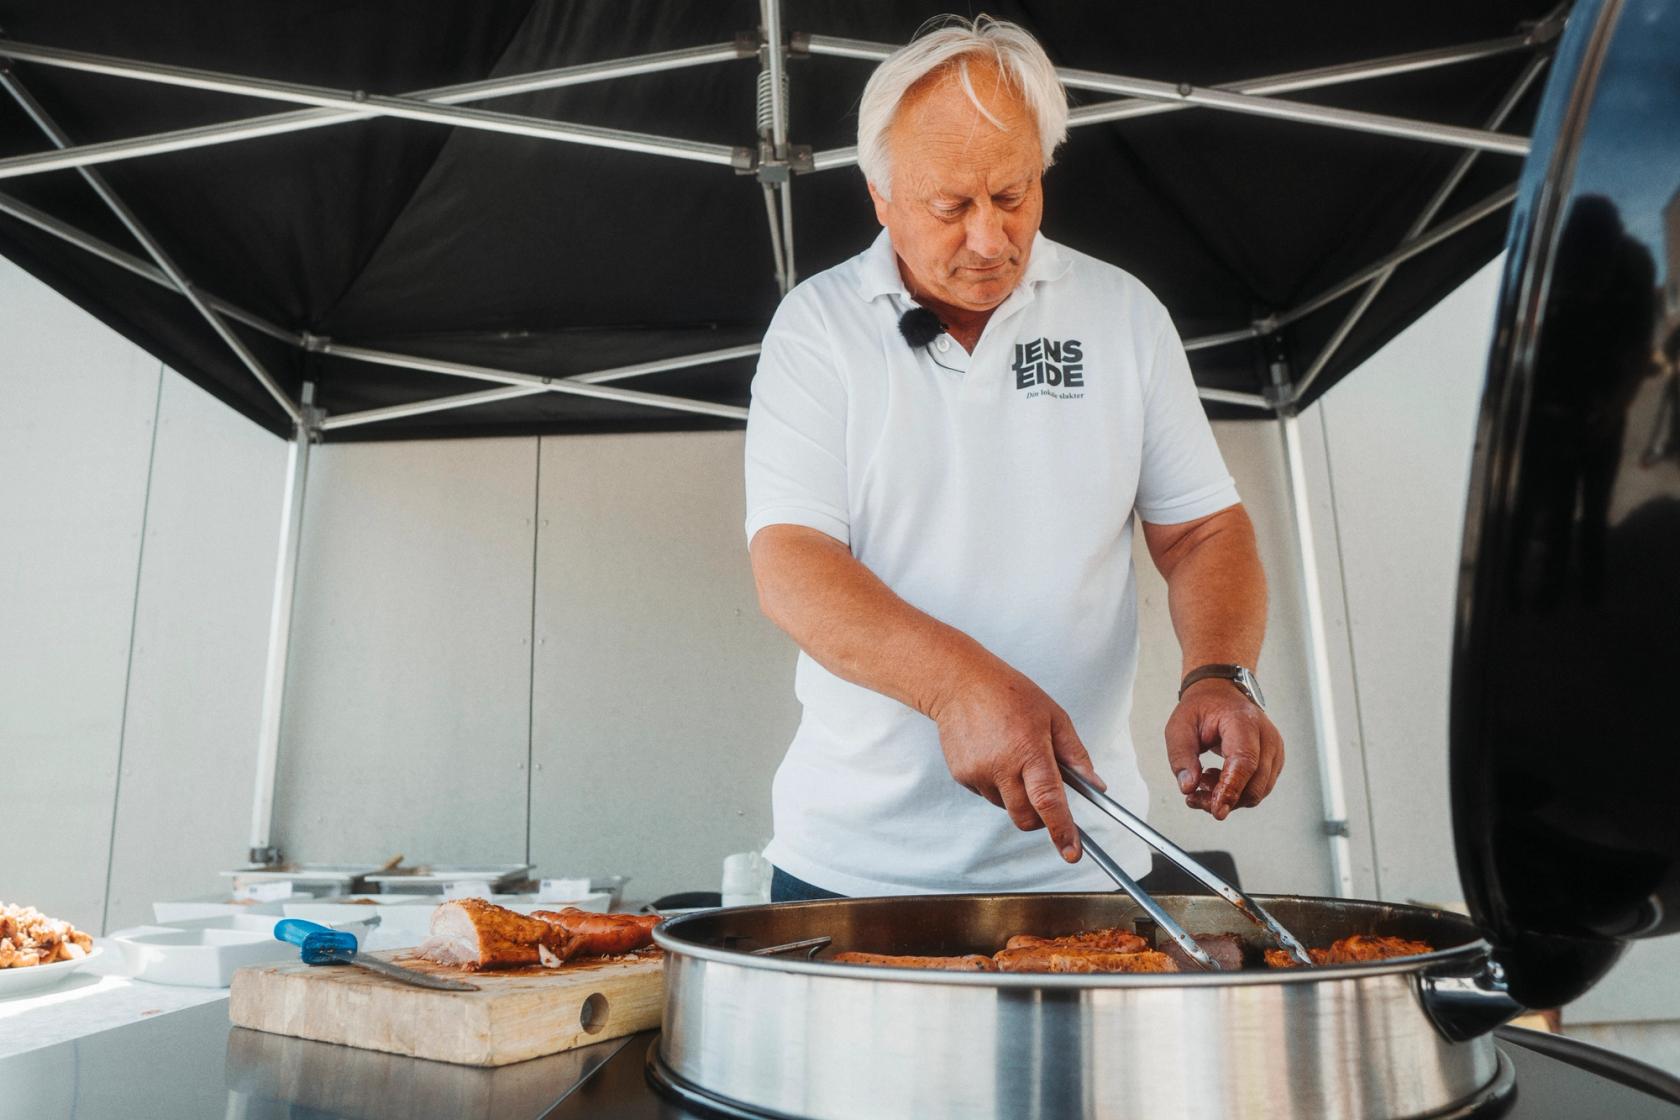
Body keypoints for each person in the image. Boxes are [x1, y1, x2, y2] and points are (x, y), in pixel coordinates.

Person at [743, 16, 1283, 902]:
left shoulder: (1122, 314)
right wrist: (962, 689)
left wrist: (1222, 672)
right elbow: (792, 565)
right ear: (880, 193)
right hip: (852, 866)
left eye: (1015, 194)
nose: (991, 241)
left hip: (1091, 852)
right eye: (952, 206)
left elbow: (1202, 533)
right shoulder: (817, 327)